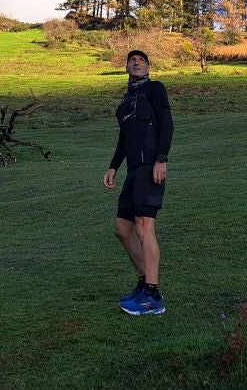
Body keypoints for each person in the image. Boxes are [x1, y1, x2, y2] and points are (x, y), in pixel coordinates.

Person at [103, 49, 173, 316]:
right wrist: (113, 166)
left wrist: (161, 159)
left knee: (144, 227)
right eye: (131, 60)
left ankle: (152, 296)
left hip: (150, 167)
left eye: (141, 60)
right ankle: (145, 284)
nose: (136, 62)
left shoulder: (155, 89)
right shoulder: (125, 103)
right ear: (126, 68)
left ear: (148, 67)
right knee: (123, 228)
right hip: (133, 171)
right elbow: (124, 139)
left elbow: (167, 123)